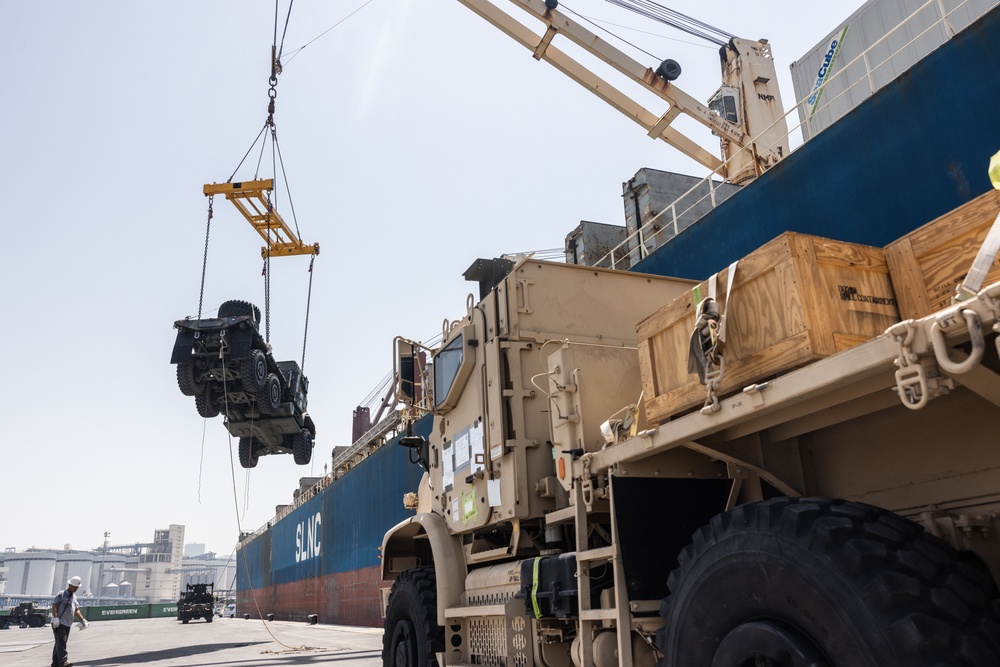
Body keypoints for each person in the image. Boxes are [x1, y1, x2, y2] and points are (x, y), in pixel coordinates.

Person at [51, 576, 88, 667]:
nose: (76, 589)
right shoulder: (61, 594)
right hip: (59, 623)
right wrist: (56, 618)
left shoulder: (74, 597)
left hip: (67, 623)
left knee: (59, 642)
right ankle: (63, 662)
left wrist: (82, 620)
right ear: (69, 585)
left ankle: (55, 663)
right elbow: (54, 606)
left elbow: (76, 610)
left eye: (77, 587)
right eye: (74, 587)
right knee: (61, 642)